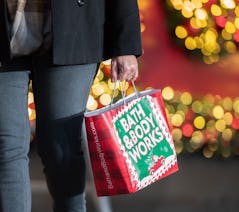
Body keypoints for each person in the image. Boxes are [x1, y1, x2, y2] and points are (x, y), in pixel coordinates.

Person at [0, 0, 142, 211]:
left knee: (61, 147)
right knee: (6, 147)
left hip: (75, 26)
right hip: (6, 30)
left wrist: (125, 44)